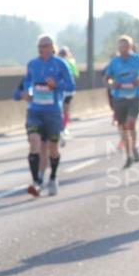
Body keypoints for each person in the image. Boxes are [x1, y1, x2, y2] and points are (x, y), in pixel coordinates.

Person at [20, 34, 75, 196]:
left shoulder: (60, 64)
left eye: (44, 46)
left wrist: (55, 84)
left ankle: (52, 177)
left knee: (52, 148)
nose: (41, 49)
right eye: (39, 46)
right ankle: (37, 181)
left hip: (53, 112)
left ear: (52, 47)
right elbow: (27, 82)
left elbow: (71, 85)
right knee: (34, 142)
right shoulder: (32, 64)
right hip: (35, 110)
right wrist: (27, 92)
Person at [103, 35, 139, 168]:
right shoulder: (114, 61)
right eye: (120, 46)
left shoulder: (137, 59)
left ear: (130, 46)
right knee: (123, 126)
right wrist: (113, 84)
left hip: (134, 96)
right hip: (119, 97)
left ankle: (133, 147)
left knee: (131, 123)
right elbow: (107, 78)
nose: (123, 48)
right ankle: (129, 153)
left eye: (125, 46)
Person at [57, 46, 80, 136]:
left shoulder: (58, 62)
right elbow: (76, 75)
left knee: (61, 109)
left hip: (65, 90)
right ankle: (63, 127)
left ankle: (63, 127)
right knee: (65, 109)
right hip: (67, 90)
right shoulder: (71, 62)